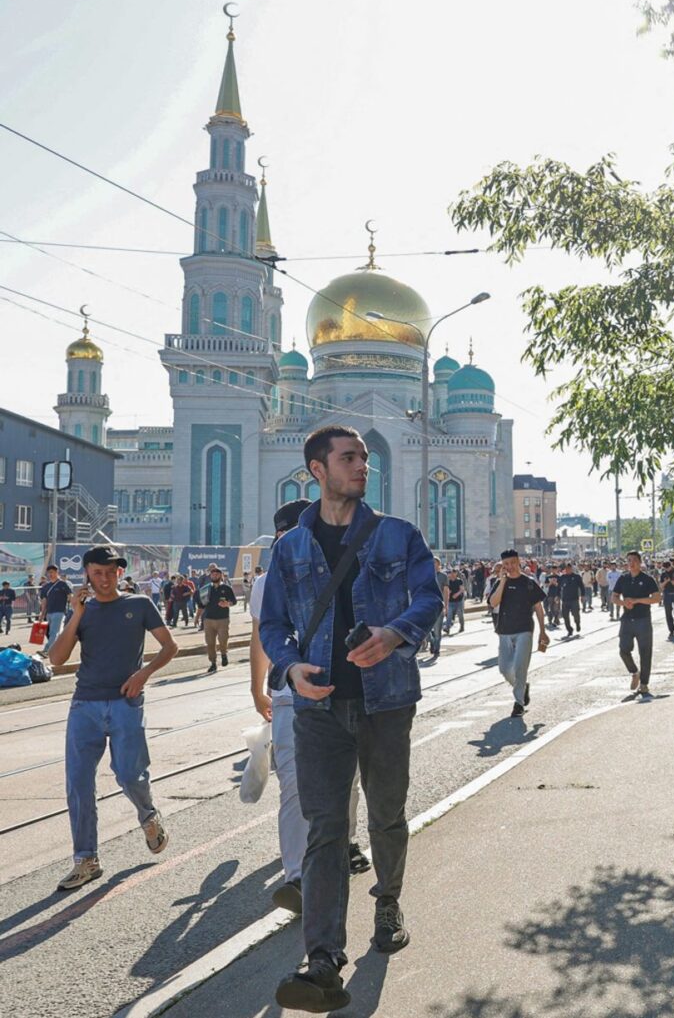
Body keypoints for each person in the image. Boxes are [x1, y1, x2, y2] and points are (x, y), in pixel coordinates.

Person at [259, 425, 442, 1013]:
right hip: (318, 707)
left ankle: (387, 901)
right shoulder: (288, 548)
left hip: (385, 701)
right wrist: (289, 668)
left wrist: (394, 634)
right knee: (325, 830)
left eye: (364, 457)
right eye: (349, 457)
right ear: (318, 469)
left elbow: (428, 597)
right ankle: (322, 959)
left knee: (386, 815)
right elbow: (272, 626)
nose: (362, 465)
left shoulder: (397, 534)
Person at [249, 499, 370, 917]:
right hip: (288, 697)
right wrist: (257, 686)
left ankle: (345, 843)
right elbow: (262, 633)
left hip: (338, 694)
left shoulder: (347, 562)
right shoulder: (267, 581)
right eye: (284, 534)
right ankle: (297, 877)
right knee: (294, 788)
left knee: (346, 782)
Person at [49, 545, 178, 890]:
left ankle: (148, 816)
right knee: (78, 783)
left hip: (125, 703)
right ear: (87, 575)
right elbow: (57, 659)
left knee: (129, 774)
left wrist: (143, 674)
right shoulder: (83, 611)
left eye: (110, 572)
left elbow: (170, 646)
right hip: (85, 706)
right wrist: (76, 612)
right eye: (97, 573)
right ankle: (86, 859)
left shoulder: (139, 605)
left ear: (119, 573)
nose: (104, 579)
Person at [488, 550, 549, 717]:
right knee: (505, 669)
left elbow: (538, 608)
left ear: (518, 562)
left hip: (524, 630)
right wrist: (501, 582)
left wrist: (543, 631)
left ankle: (519, 703)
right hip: (505, 631)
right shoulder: (500, 582)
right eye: (506, 564)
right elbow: (493, 603)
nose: (510, 567)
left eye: (512, 563)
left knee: (520, 667)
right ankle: (523, 687)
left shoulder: (528, 582)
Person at [613, 550, 661, 697]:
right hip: (627, 620)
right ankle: (634, 672)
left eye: (634, 560)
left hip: (643, 620)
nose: (631, 563)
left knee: (645, 653)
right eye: (629, 560)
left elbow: (657, 598)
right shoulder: (623, 578)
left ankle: (644, 684)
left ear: (640, 562)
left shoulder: (647, 579)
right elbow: (614, 597)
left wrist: (638, 600)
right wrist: (623, 603)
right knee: (623, 650)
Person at [197, 565, 237, 674]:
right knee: (210, 643)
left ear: (221, 576)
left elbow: (234, 601)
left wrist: (227, 604)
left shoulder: (226, 588)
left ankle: (224, 654)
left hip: (223, 620)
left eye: (216, 574)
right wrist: (197, 618)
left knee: (223, 640)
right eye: (212, 574)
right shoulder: (206, 589)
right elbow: (201, 605)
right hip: (208, 620)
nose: (214, 575)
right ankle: (213, 663)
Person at [40, 565, 71, 654]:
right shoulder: (46, 586)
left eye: (52, 572)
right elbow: (44, 601)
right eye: (49, 572)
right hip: (49, 612)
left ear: (57, 572)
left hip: (59, 612)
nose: (51, 574)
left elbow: (70, 596)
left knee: (54, 632)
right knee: (51, 633)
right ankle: (60, 648)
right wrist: (42, 615)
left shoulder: (63, 584)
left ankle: (47, 650)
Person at [557, 563, 584, 636]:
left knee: (576, 614)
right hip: (565, 600)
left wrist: (582, 596)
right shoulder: (562, 577)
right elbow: (558, 588)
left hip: (574, 599)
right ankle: (569, 629)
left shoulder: (576, 577)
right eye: (567, 569)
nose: (568, 570)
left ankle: (577, 623)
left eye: (569, 568)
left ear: (572, 569)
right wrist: (557, 596)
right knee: (565, 616)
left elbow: (581, 586)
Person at [445, 568, 466, 634]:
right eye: (451, 573)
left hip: (459, 601)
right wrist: (448, 592)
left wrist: (457, 594)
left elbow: (462, 589)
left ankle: (462, 626)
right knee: (449, 615)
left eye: (454, 573)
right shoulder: (448, 581)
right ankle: (447, 628)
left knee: (460, 615)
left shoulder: (459, 581)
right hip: (450, 601)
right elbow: (446, 589)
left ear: (456, 574)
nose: (452, 574)